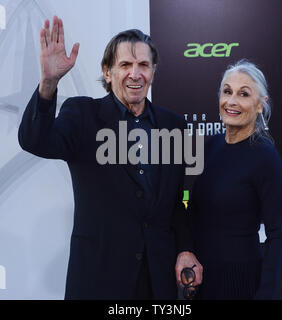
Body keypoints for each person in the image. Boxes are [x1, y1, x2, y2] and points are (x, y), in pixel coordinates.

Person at [18, 16, 202, 299]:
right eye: (125, 65)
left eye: (143, 65)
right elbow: (34, 141)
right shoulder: (82, 115)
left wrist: (186, 248)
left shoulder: (174, 126)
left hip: (157, 282)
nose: (135, 74)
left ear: (153, 70)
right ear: (107, 72)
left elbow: (179, 202)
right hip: (99, 280)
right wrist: (48, 84)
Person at [189, 60, 282, 300]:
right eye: (227, 91)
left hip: (242, 282)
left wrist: (265, 294)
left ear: (260, 105)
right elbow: (193, 214)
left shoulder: (265, 156)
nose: (231, 101)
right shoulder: (209, 147)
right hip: (202, 280)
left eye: (243, 94)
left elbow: (277, 235)